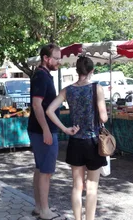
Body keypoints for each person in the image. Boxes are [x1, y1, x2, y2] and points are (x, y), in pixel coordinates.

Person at [46, 56, 107, 220]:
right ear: (91, 71)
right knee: (92, 187)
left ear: (77, 71)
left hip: (75, 142)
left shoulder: (67, 90)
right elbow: (104, 118)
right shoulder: (97, 88)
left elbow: (50, 110)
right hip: (93, 142)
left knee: (77, 186)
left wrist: (65, 129)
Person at [27, 43, 80, 220]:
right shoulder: (41, 77)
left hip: (41, 130)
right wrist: (46, 130)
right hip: (43, 131)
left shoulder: (42, 75)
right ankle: (44, 210)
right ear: (46, 58)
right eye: (56, 58)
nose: (59, 62)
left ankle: (39, 207)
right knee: (46, 172)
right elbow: (36, 105)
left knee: (40, 169)